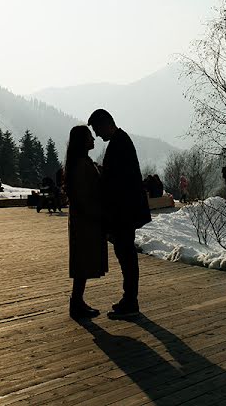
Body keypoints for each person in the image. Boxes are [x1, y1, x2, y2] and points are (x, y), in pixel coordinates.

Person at [88, 108, 151, 319]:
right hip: (127, 210)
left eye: (97, 129)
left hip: (124, 211)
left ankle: (130, 301)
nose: (97, 135)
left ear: (106, 124)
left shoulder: (118, 144)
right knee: (126, 254)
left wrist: (100, 175)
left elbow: (117, 181)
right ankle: (129, 298)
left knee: (126, 254)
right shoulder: (121, 141)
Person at [63, 125, 107, 319]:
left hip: (84, 220)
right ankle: (76, 304)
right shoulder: (81, 165)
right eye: (90, 137)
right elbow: (84, 195)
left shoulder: (79, 162)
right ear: (82, 141)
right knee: (82, 262)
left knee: (83, 261)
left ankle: (77, 302)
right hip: (85, 221)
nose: (94, 139)